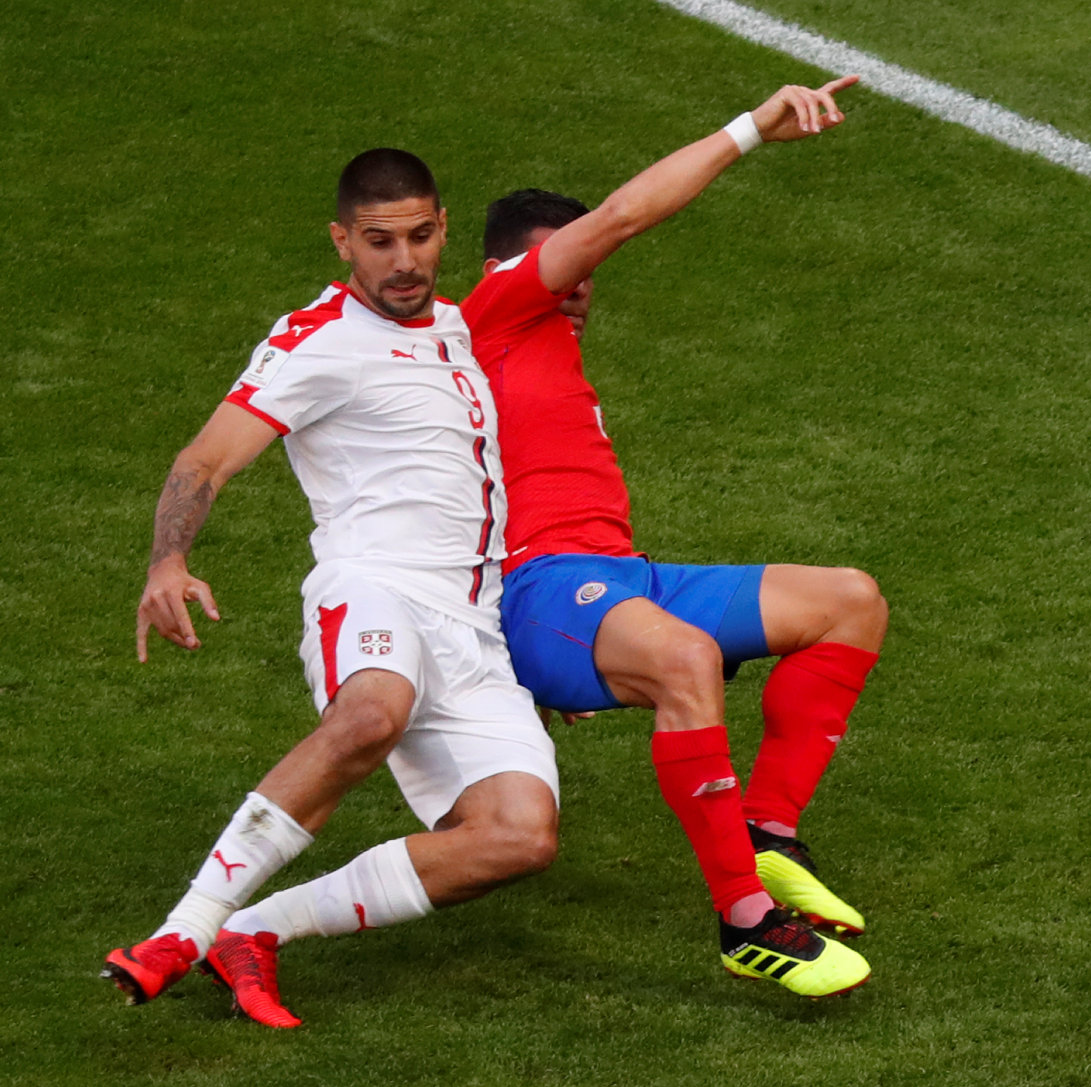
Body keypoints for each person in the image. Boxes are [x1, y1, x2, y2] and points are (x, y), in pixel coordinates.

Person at [108, 147, 560, 1029]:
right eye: (380, 242)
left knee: (519, 837)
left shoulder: (461, 329)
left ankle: (254, 930)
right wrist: (168, 561)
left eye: (422, 236)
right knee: (369, 713)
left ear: (441, 230)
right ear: (343, 242)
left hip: (474, 628)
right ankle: (182, 929)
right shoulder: (315, 338)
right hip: (373, 584)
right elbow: (204, 458)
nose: (406, 262)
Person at [459, 80, 879, 998]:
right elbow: (622, 216)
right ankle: (746, 923)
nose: (579, 288)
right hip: (542, 591)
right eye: (564, 268)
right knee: (686, 657)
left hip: (615, 580)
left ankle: (765, 836)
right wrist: (752, 129)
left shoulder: (545, 355)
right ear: (509, 267)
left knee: (850, 599)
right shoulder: (489, 313)